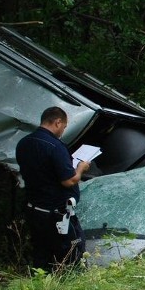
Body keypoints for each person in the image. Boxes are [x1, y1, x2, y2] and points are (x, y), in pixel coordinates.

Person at [15, 106, 90, 270]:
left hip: (33, 208)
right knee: (72, 251)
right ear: (57, 122)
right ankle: (67, 285)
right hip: (55, 213)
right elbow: (69, 181)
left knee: (41, 251)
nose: (63, 130)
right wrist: (81, 168)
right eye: (64, 126)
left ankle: (41, 284)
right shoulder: (55, 146)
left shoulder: (24, 143)